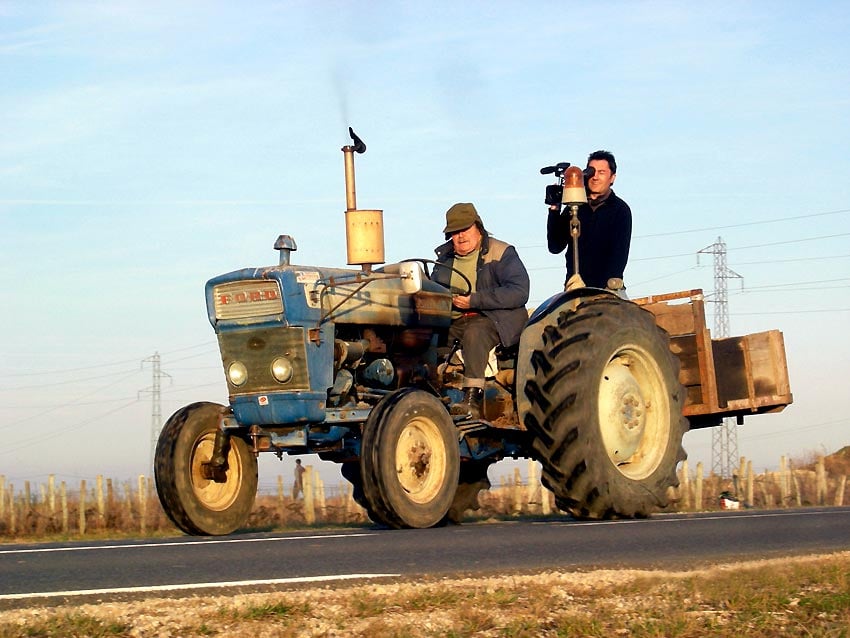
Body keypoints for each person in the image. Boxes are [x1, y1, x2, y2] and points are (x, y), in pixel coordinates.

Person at [433, 202, 530, 419]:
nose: (460, 236)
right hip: (456, 320)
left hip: (498, 319)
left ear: (478, 227)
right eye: (454, 232)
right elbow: (435, 291)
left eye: (465, 229)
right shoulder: (443, 261)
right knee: (424, 337)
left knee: (475, 332)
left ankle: (472, 397)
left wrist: (475, 300)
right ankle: (432, 391)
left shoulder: (501, 252)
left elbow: (519, 291)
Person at [546, 150, 632, 294]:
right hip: (574, 288)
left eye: (602, 172)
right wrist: (555, 209)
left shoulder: (620, 210)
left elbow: (619, 256)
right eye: (592, 171)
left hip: (608, 289)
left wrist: (605, 291)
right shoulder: (573, 208)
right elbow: (555, 246)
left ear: (612, 178)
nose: (595, 177)